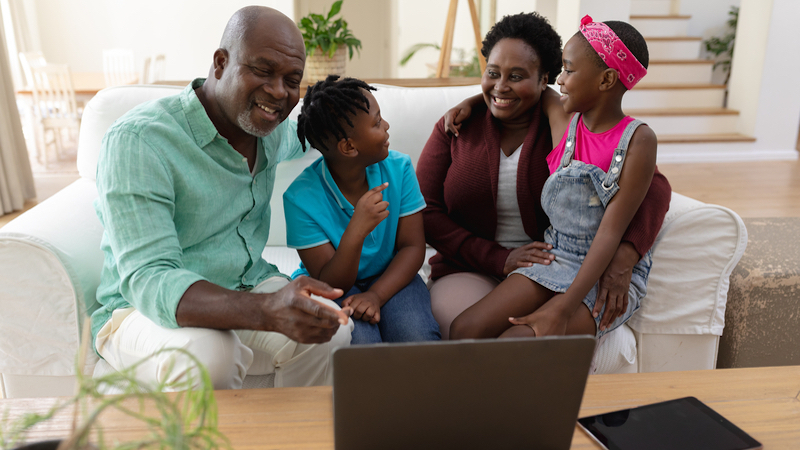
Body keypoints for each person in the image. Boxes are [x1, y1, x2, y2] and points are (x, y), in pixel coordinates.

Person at [91, 6, 354, 390]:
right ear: (220, 63)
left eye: (291, 80)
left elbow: (315, 130)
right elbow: (149, 278)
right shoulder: (141, 141)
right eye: (263, 71)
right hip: (140, 311)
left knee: (328, 327)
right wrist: (266, 311)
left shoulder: (273, 132)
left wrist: (469, 110)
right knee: (210, 355)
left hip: (242, 286)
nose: (279, 92)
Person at [415, 12, 672, 339]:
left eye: (517, 75)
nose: (501, 85)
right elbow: (424, 211)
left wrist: (627, 253)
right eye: (493, 73)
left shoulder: (561, 122)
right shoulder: (458, 126)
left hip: (557, 259)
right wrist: (500, 259)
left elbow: (654, 186)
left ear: (544, 79)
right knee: (463, 329)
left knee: (515, 343)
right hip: (475, 266)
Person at [284, 76, 440, 344]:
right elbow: (330, 282)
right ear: (349, 147)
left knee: (417, 338)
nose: (387, 126)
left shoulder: (399, 169)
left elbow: (413, 248)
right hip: (331, 286)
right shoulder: (300, 199)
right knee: (362, 347)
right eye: (378, 123)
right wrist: (356, 230)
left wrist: (376, 295)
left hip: (393, 276)